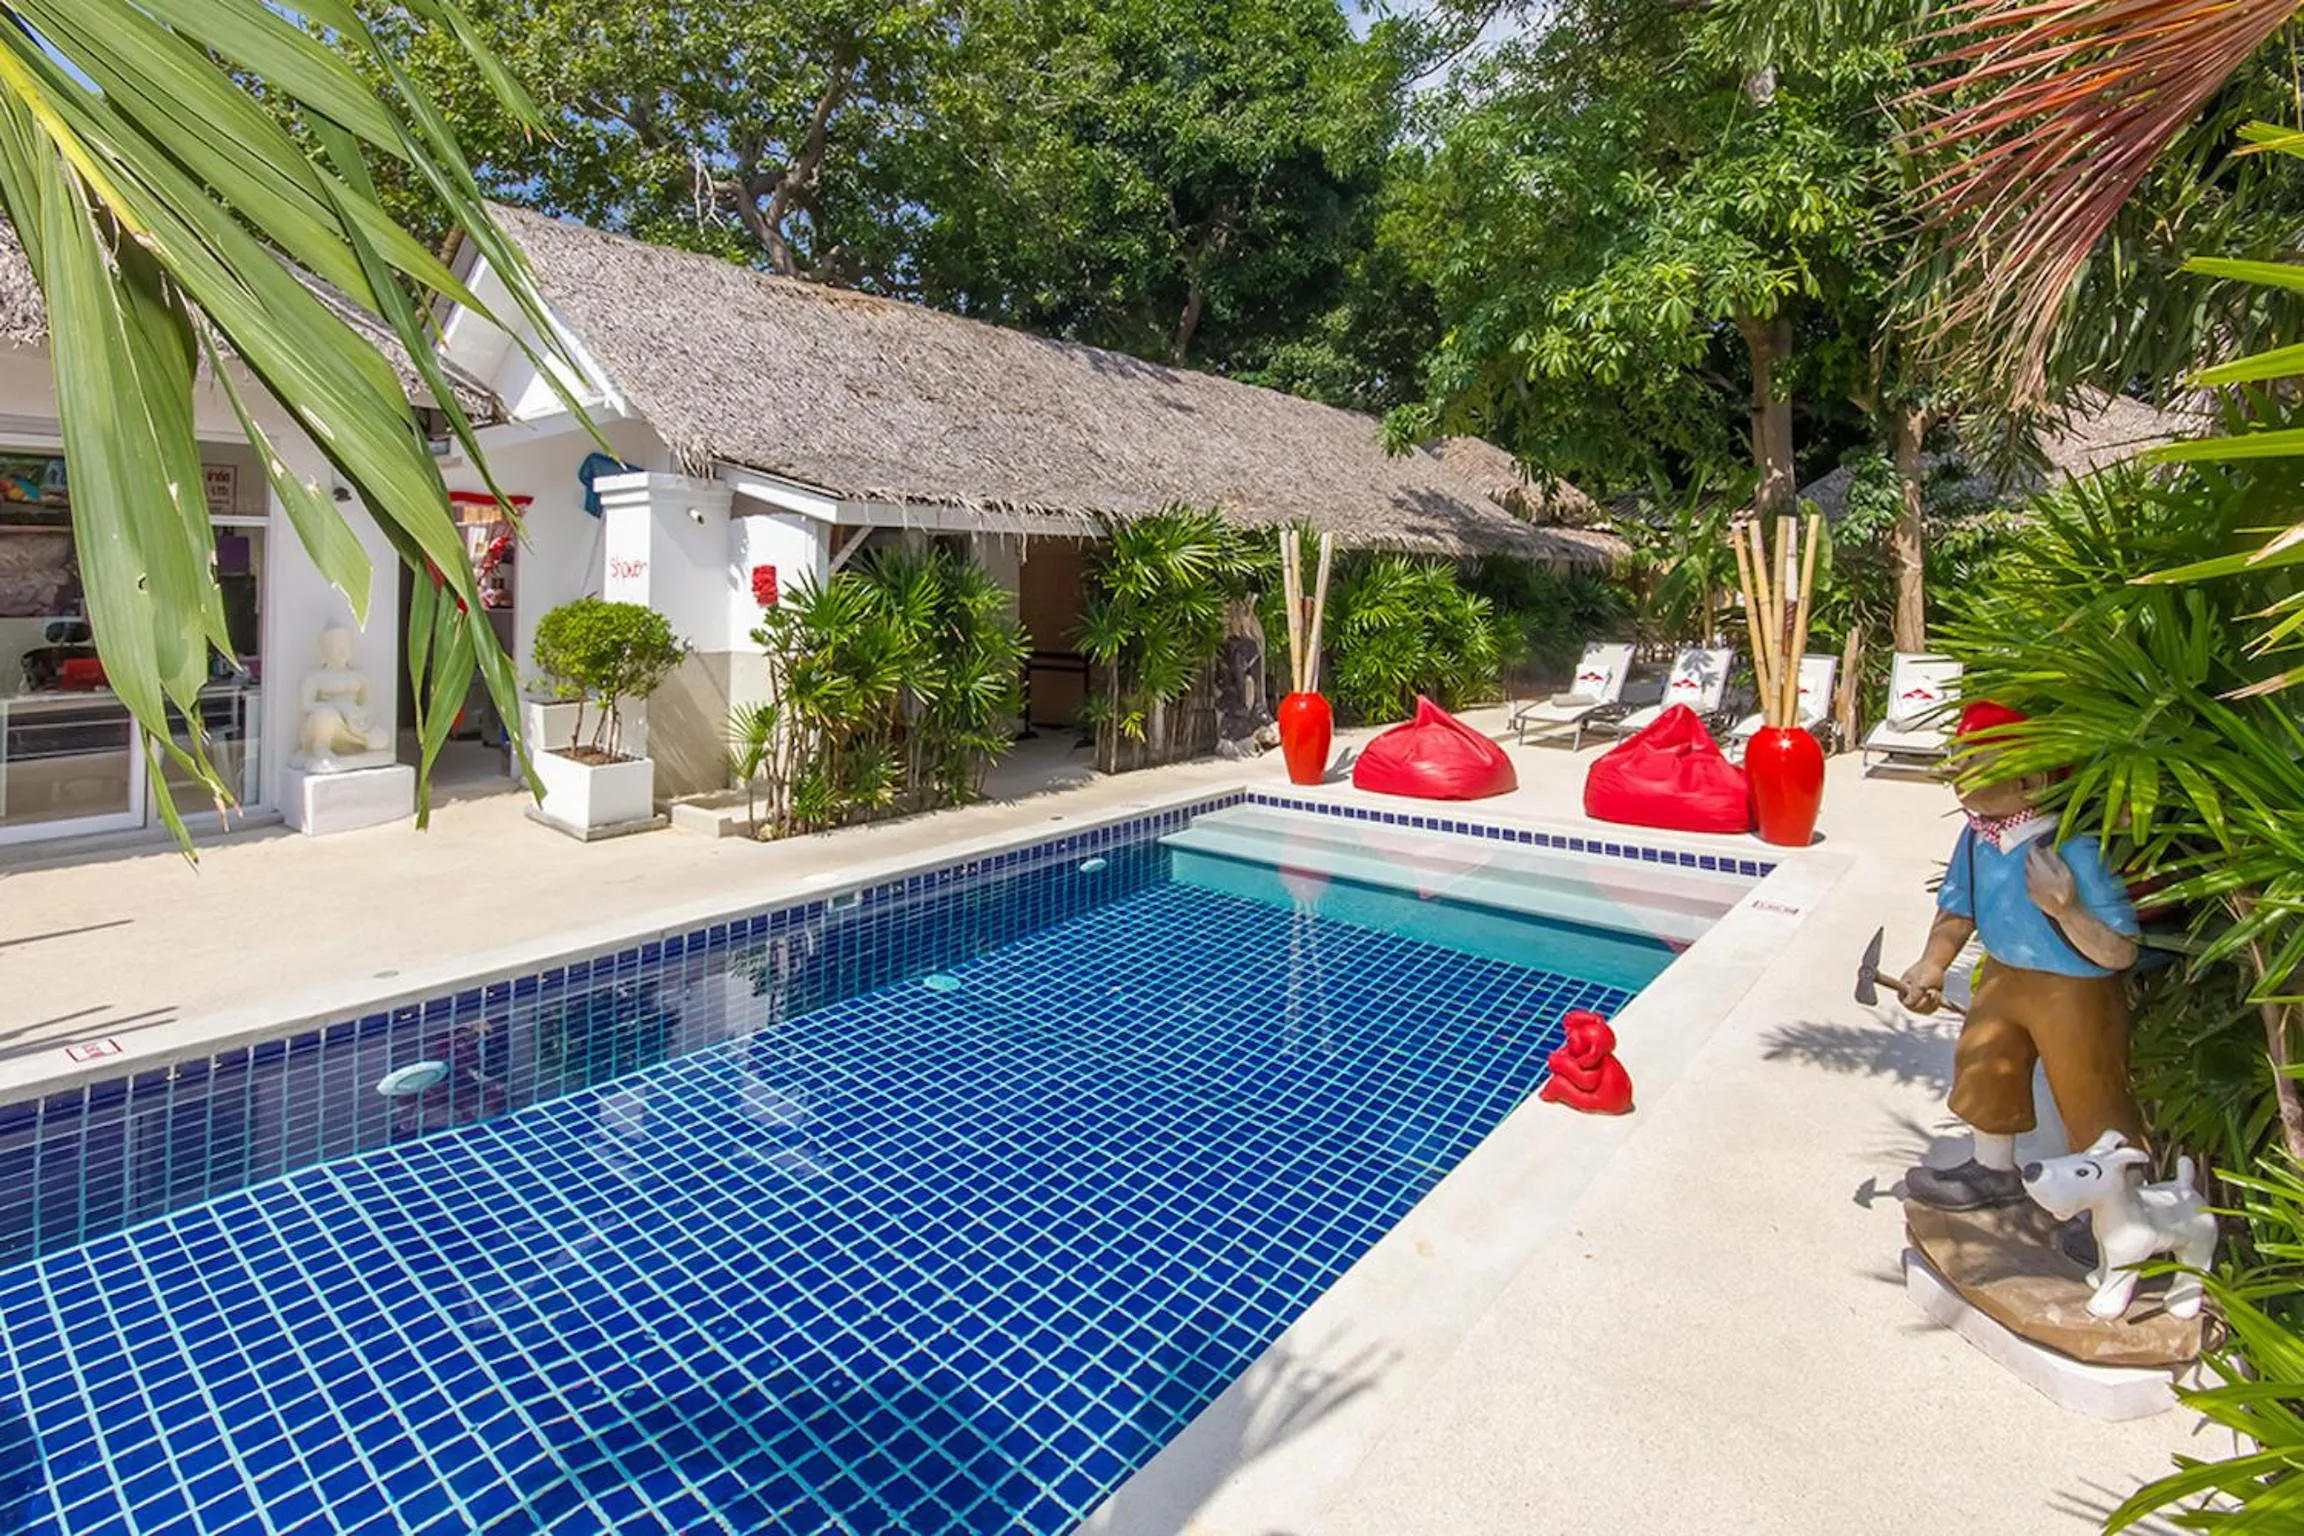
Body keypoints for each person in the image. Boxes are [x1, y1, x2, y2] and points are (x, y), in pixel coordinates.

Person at [1899, 701, 2145, 1210]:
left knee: (2088, 1089)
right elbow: (1956, 908)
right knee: (1986, 1066)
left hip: (2074, 987)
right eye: (1958, 760)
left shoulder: (2072, 848)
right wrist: (1933, 963)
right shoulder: (1976, 840)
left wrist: (2068, 908)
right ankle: (1991, 1167)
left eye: (1972, 765)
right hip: (2003, 975)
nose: (1956, 775)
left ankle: (2117, 1202)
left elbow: (2120, 950)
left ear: (2029, 782)